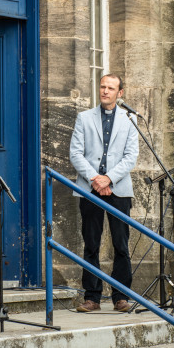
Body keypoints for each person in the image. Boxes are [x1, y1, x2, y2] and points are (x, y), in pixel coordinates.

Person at [69, 74, 139, 313]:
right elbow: (75, 153)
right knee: (91, 243)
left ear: (120, 93)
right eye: (102, 86)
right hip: (90, 188)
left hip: (118, 189)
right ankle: (92, 297)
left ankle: (121, 296)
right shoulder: (84, 118)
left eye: (111, 88)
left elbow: (131, 156)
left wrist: (109, 178)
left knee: (121, 244)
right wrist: (96, 179)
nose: (105, 91)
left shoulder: (129, 120)